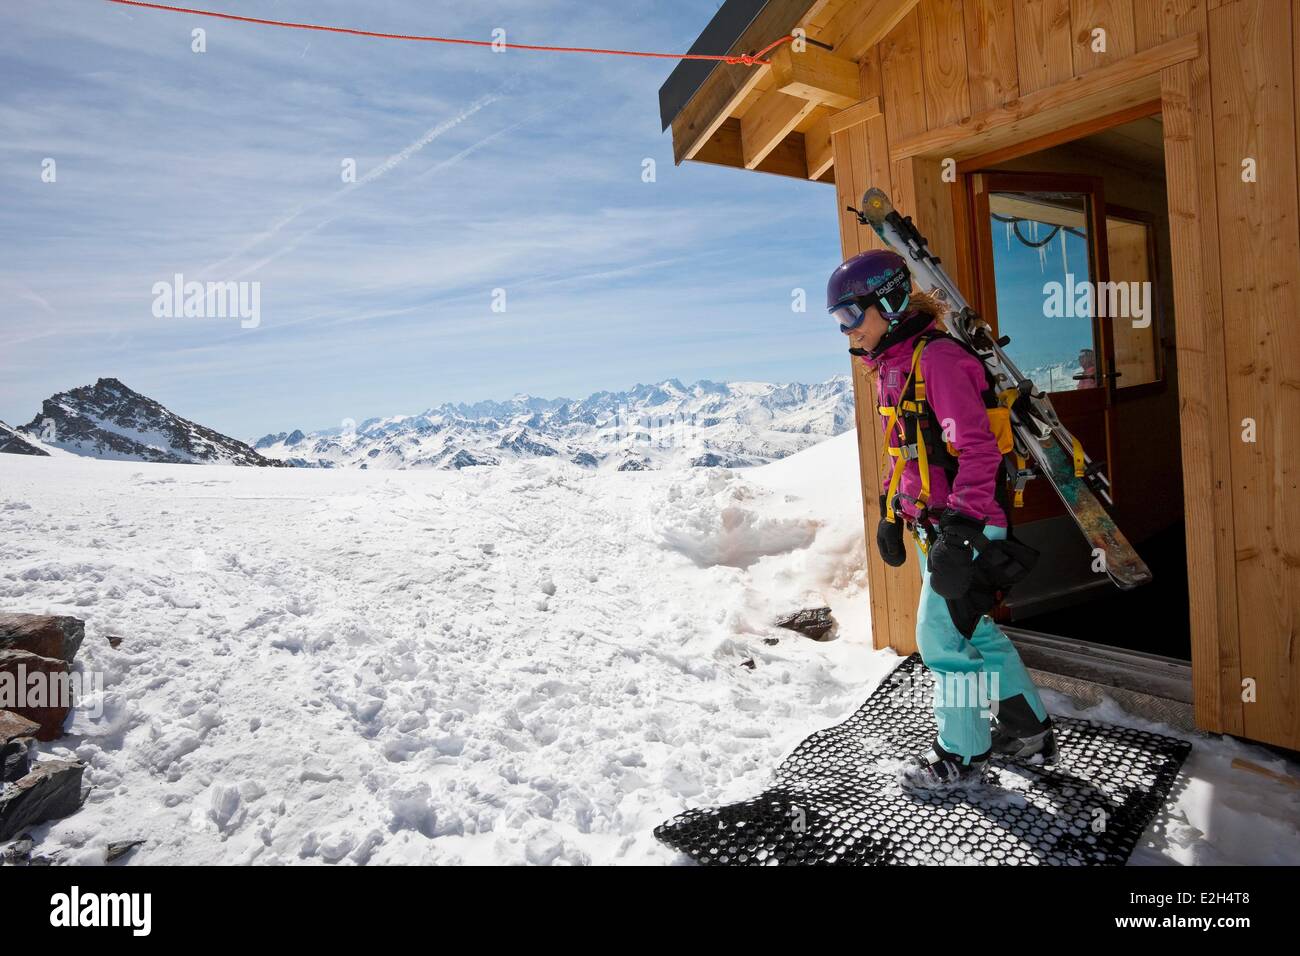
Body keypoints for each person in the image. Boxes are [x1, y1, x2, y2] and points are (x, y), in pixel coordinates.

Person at [826, 249, 1056, 790]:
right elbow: (904, 453)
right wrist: (891, 513)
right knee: (972, 629)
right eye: (839, 321)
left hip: (968, 527)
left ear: (888, 301)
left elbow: (978, 452)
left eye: (851, 316)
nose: (847, 332)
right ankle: (1029, 733)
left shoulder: (940, 361)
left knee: (942, 643)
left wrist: (960, 532)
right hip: (942, 527)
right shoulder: (894, 366)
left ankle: (962, 758)